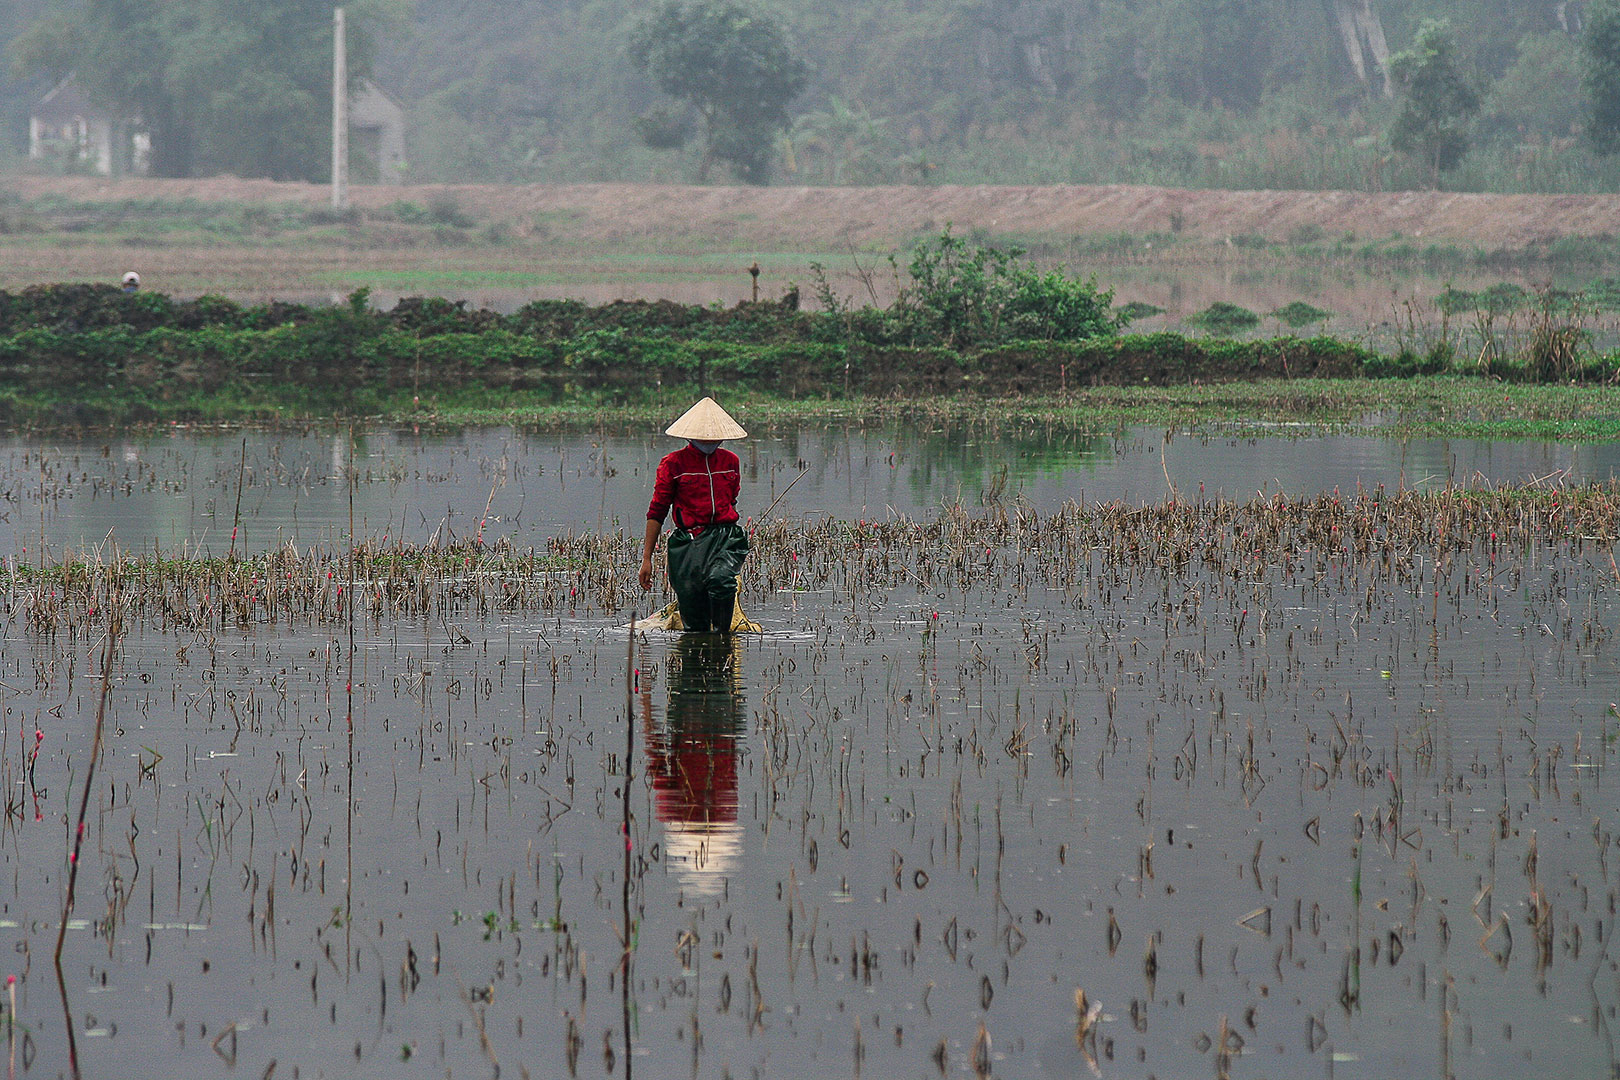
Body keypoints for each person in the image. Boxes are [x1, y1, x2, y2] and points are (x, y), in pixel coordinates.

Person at [639, 397, 749, 632]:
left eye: (714, 438)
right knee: (693, 610)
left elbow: (731, 499)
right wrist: (647, 558)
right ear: (690, 436)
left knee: (722, 582)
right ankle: (695, 658)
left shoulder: (731, 461)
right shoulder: (673, 464)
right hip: (688, 542)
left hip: (726, 538)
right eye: (704, 437)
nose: (709, 442)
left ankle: (722, 642)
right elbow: (658, 510)